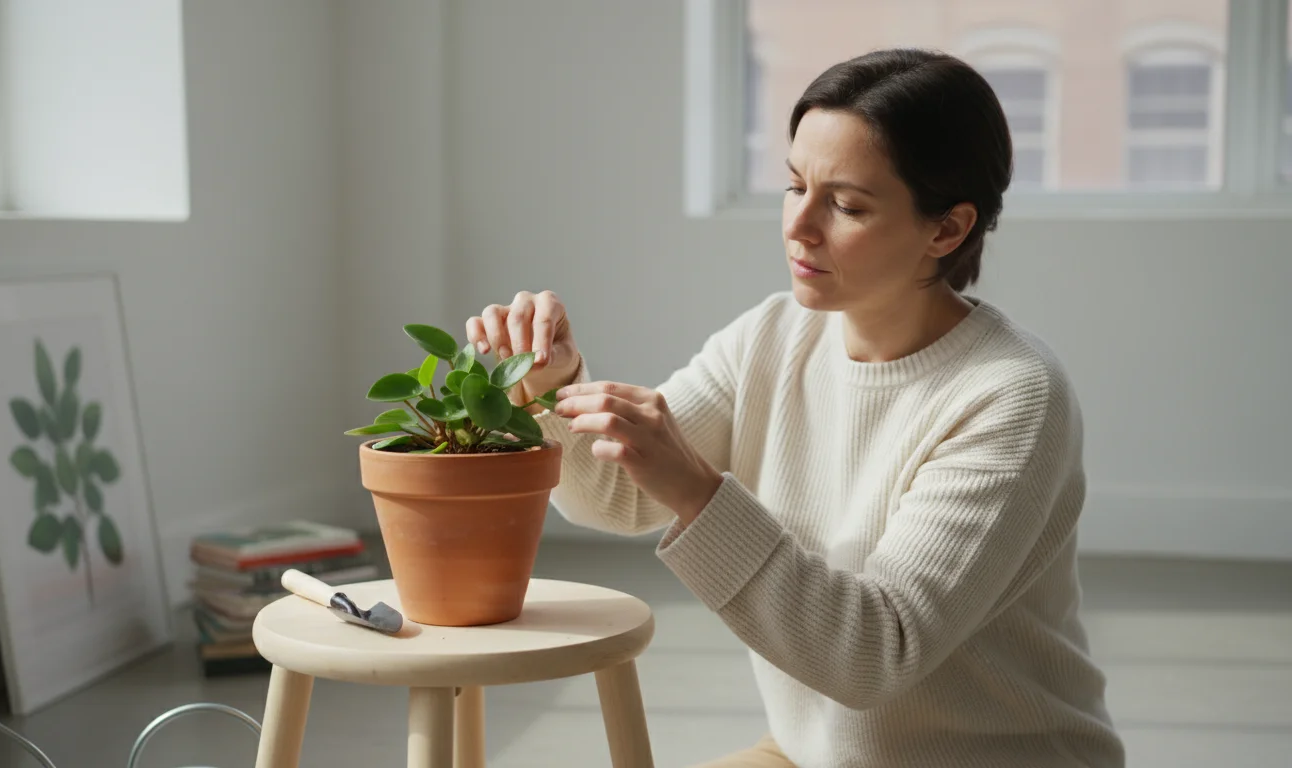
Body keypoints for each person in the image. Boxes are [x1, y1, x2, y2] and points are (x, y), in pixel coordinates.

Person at [466, 49, 1125, 768]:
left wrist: (696, 488)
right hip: (807, 756)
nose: (799, 226)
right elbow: (617, 500)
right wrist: (551, 387)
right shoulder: (773, 336)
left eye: (845, 205)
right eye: (793, 185)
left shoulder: (1010, 393)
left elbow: (874, 654)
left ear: (947, 229)